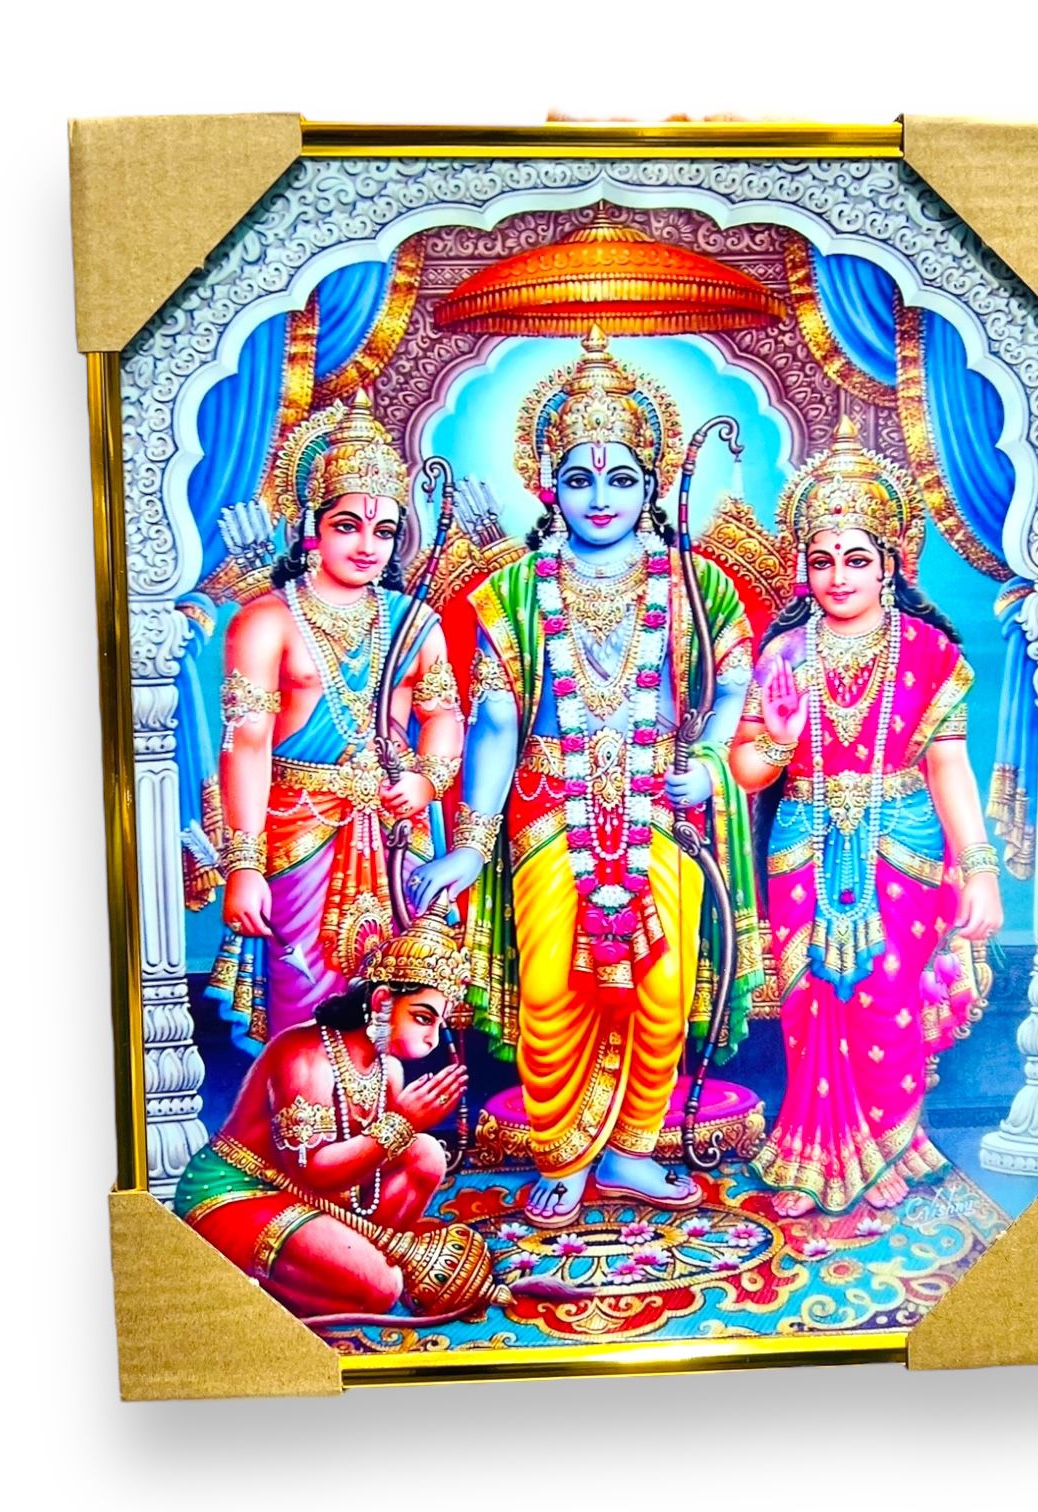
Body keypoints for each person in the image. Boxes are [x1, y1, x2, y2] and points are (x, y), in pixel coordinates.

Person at [408, 327, 764, 1228]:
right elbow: (495, 723)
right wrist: (469, 846)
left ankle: (633, 1152)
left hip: (661, 811)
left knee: (663, 987)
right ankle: (564, 1156)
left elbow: (734, 687)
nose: (599, 499)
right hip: (548, 809)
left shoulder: (697, 584)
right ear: (548, 484)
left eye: (620, 479)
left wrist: (710, 763)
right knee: (550, 989)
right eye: (578, 479)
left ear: (651, 484)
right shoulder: (514, 590)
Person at [729, 419, 1002, 1222]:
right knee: (811, 998)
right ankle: (815, 1150)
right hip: (804, 843)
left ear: (890, 563)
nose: (838, 576)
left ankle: (888, 1144)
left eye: (856, 558)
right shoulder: (783, 654)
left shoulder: (928, 651)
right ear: (804, 566)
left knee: (887, 996)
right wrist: (778, 742)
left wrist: (978, 866)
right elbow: (746, 771)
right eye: (822, 560)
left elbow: (948, 765)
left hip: (901, 844)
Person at [207, 391, 465, 1047]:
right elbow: (247, 745)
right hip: (300, 831)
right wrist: (243, 865)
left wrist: (427, 780)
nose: (368, 546)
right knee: (305, 997)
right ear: (312, 528)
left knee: (402, 1003)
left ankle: (386, 1109)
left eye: (384, 532)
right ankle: (309, 1106)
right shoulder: (265, 621)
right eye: (348, 525)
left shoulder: (415, 621)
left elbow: (443, 716)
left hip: (397, 832)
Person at [175, 907, 472, 1317]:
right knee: (382, 1289)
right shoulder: (306, 1055)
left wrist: (402, 1130)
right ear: (382, 1001)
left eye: (439, 1024)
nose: (432, 1039)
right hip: (242, 1191)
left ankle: (351, 1260)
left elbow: (364, 1169)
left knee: (427, 1155)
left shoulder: (389, 1069)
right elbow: (311, 1172)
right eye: (422, 1018)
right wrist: (401, 1122)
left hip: (318, 1199)